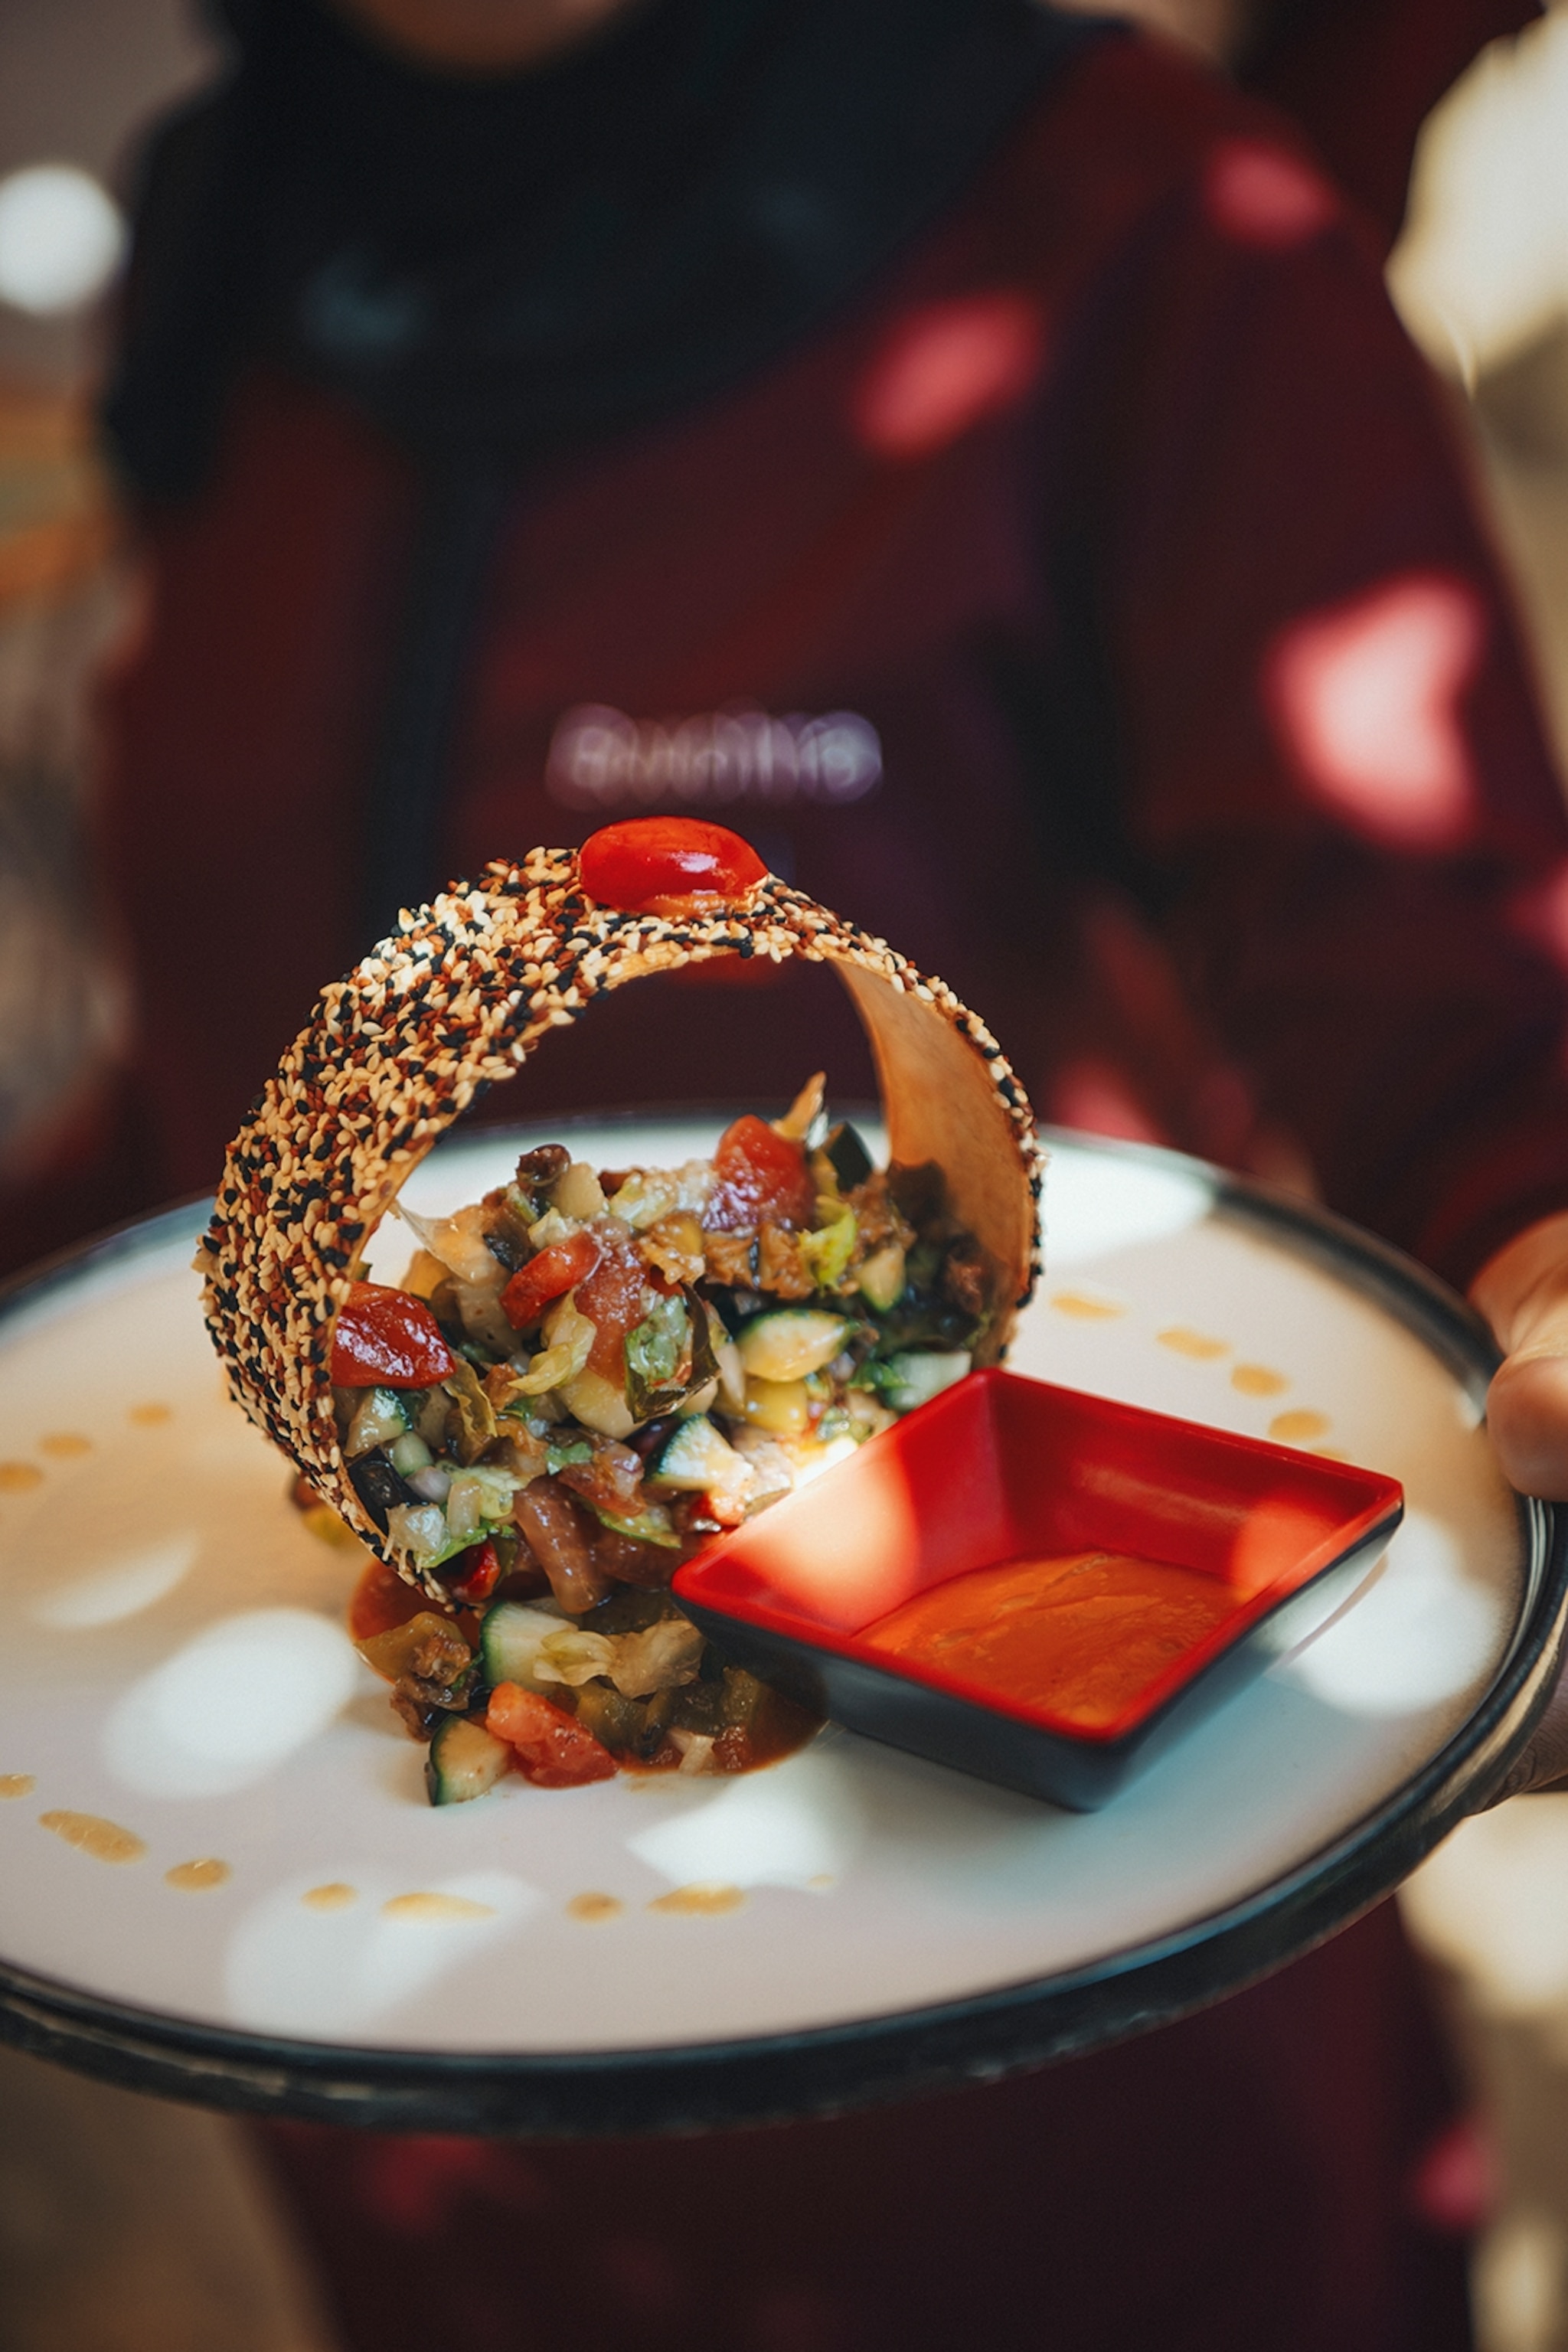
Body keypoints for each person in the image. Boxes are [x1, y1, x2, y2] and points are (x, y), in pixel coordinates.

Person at [47, 0, 1568, 2340]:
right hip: (387, 2064)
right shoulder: (240, 235)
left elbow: (1466, 1030)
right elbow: (205, 1074)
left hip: (1057, 2058)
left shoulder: (1143, 228)